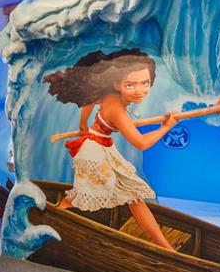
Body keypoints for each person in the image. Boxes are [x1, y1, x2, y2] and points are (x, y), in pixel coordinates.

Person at [44, 48, 180, 250]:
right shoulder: (116, 109)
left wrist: (83, 124)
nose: (139, 90)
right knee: (80, 197)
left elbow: (89, 101)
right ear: (117, 84)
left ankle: (164, 247)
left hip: (102, 147)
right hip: (94, 153)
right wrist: (165, 128)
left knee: (133, 196)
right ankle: (52, 218)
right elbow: (141, 143)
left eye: (145, 83)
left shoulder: (109, 94)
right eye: (130, 85)